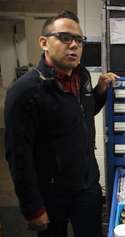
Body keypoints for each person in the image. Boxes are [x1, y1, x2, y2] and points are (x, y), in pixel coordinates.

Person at [4, 10, 118, 237]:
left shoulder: (82, 75)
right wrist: (32, 208)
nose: (74, 45)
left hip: (87, 185)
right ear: (44, 42)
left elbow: (83, 113)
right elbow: (18, 155)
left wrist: (100, 91)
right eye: (65, 38)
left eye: (79, 40)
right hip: (52, 192)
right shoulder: (26, 91)